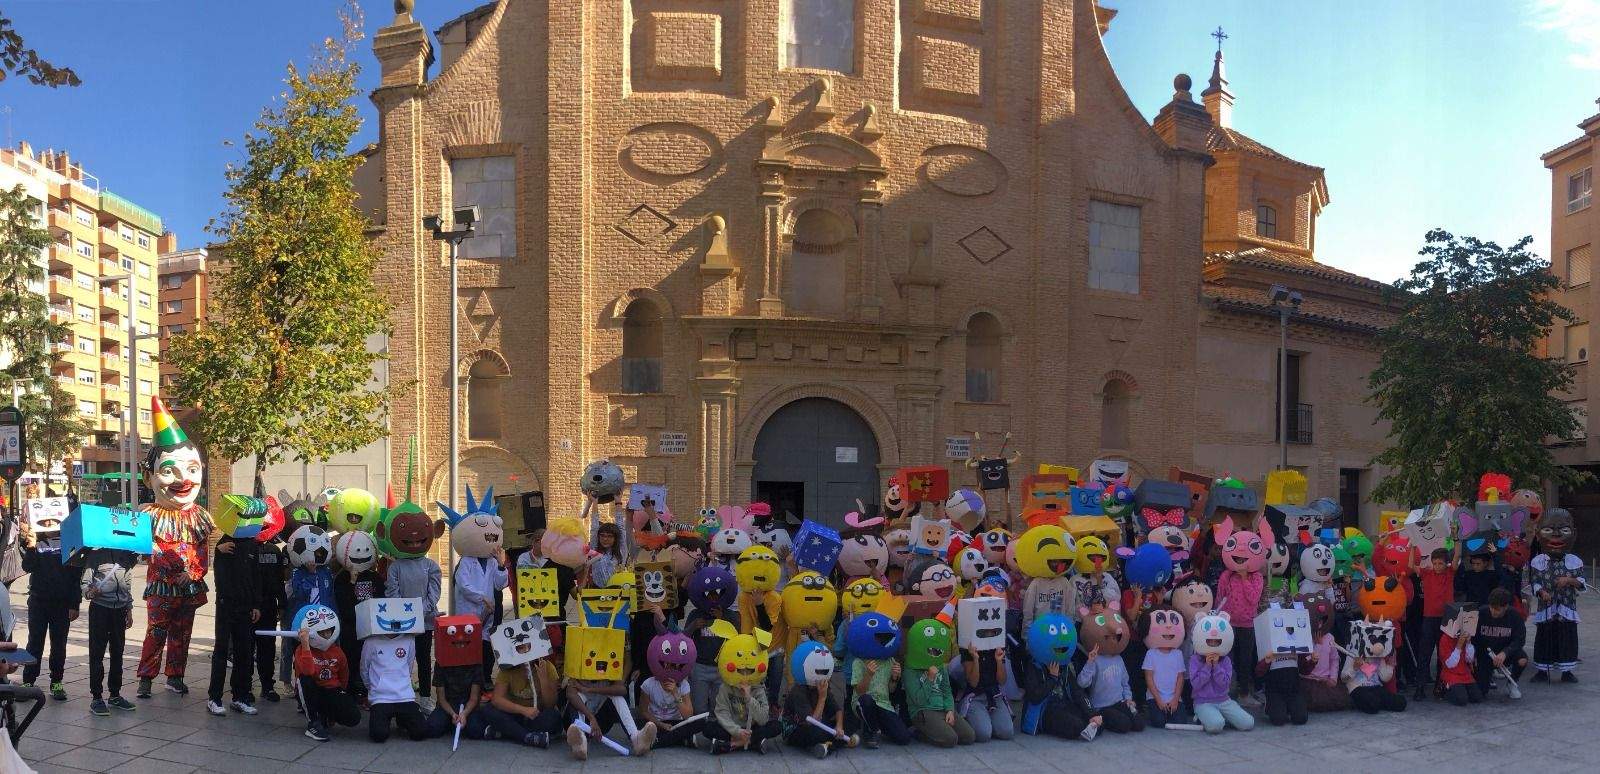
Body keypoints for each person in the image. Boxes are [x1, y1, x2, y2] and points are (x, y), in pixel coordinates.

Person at [136, 398, 213, 699]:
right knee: (156, 632)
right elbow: (142, 548)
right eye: (169, 471)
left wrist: (193, 573)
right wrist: (160, 557)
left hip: (188, 587)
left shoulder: (200, 517)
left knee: (182, 634)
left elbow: (203, 551)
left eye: (192, 469)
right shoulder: (147, 515)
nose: (184, 479)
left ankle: (175, 675)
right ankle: (145, 678)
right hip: (160, 586)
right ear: (149, 477)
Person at [18, 518, 83, 701]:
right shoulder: (35, 542)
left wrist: (74, 604)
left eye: (51, 521)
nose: (48, 525)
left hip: (61, 604)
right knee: (34, 643)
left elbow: (74, 577)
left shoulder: (69, 543)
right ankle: (28, 682)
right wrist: (30, 546)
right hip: (38, 601)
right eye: (44, 522)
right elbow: (27, 566)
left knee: (59, 645)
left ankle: (57, 682)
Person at [206, 533, 261, 716]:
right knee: (221, 651)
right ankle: (214, 698)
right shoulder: (225, 541)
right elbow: (219, 575)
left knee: (244, 652)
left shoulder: (252, 544)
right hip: (226, 604)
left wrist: (255, 604)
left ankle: (240, 696)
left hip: (245, 606)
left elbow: (255, 576)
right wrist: (218, 552)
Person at [81, 548, 136, 715]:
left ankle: (115, 694)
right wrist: (89, 592)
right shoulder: (95, 556)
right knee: (97, 654)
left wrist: (129, 608)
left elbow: (127, 585)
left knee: (118, 653)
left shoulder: (126, 556)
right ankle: (96, 697)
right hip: (100, 609)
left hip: (119, 611)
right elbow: (85, 583)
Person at [294, 611, 362, 741]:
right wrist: (306, 645)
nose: (326, 636)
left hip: (331, 689)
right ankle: (313, 722)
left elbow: (344, 675)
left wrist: (340, 698)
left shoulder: (337, 651)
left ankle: (326, 714)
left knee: (353, 717)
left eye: (328, 631)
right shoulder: (300, 650)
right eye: (321, 632)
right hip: (311, 690)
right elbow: (307, 671)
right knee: (305, 679)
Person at [477, 658, 559, 747]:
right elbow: (497, 699)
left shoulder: (547, 667)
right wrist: (523, 710)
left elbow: (550, 704)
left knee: (553, 717)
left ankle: (507, 733)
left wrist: (543, 679)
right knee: (488, 710)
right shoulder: (507, 667)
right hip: (513, 714)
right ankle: (527, 736)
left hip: (537, 715)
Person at [363, 633, 429, 743]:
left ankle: (402, 719)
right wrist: (373, 688)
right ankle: (386, 719)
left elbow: (409, 665)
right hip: (381, 697)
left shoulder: (409, 639)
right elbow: (364, 668)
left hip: (404, 696)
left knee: (420, 732)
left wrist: (403, 684)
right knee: (378, 735)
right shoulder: (371, 641)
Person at [781, 660, 854, 758]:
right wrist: (822, 697)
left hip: (819, 724)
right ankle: (835, 744)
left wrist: (839, 726)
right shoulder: (798, 690)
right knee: (817, 732)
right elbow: (813, 722)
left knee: (852, 719)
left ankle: (827, 745)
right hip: (797, 729)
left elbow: (837, 709)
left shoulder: (823, 685)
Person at [1413, 547, 1455, 699]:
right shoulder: (1427, 573)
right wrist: (1412, 546)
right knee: (1424, 653)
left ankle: (1440, 686)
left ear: (1446, 564)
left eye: (1440, 563)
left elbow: (1456, 557)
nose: (1437, 566)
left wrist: (1456, 539)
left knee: (1443, 654)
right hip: (1429, 618)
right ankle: (1420, 687)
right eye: (1435, 563)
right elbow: (1412, 565)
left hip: (1446, 619)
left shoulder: (1450, 573)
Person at [852, 645, 910, 747]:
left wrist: (894, 678)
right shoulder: (859, 661)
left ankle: (874, 725)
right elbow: (860, 691)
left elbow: (891, 689)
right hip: (863, 702)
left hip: (883, 704)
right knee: (867, 700)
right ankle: (872, 731)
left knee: (903, 738)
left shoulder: (890, 661)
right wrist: (869, 674)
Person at [1474, 588, 1528, 695]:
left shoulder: (1515, 616)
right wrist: (1474, 654)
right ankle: (1485, 678)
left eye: (1497, 609)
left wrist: (1505, 652)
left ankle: (1512, 682)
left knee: (1522, 659)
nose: (1493, 611)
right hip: (1485, 655)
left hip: (1505, 653)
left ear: (1506, 607)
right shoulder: (1481, 613)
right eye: (1491, 607)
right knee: (1480, 693)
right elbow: (1473, 637)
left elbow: (1520, 640)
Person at [255, 533, 288, 702]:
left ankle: (267, 686)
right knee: (247, 648)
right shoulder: (243, 548)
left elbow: (279, 580)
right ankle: (246, 688)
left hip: (267, 605)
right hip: (250, 605)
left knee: (267, 648)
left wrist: (281, 604)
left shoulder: (274, 551)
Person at [959, 642, 1014, 741]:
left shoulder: (997, 645)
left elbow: (1002, 681)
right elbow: (973, 683)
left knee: (1007, 732)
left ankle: (987, 719)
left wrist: (999, 661)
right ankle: (973, 716)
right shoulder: (968, 648)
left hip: (994, 695)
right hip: (975, 696)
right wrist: (975, 659)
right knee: (983, 734)